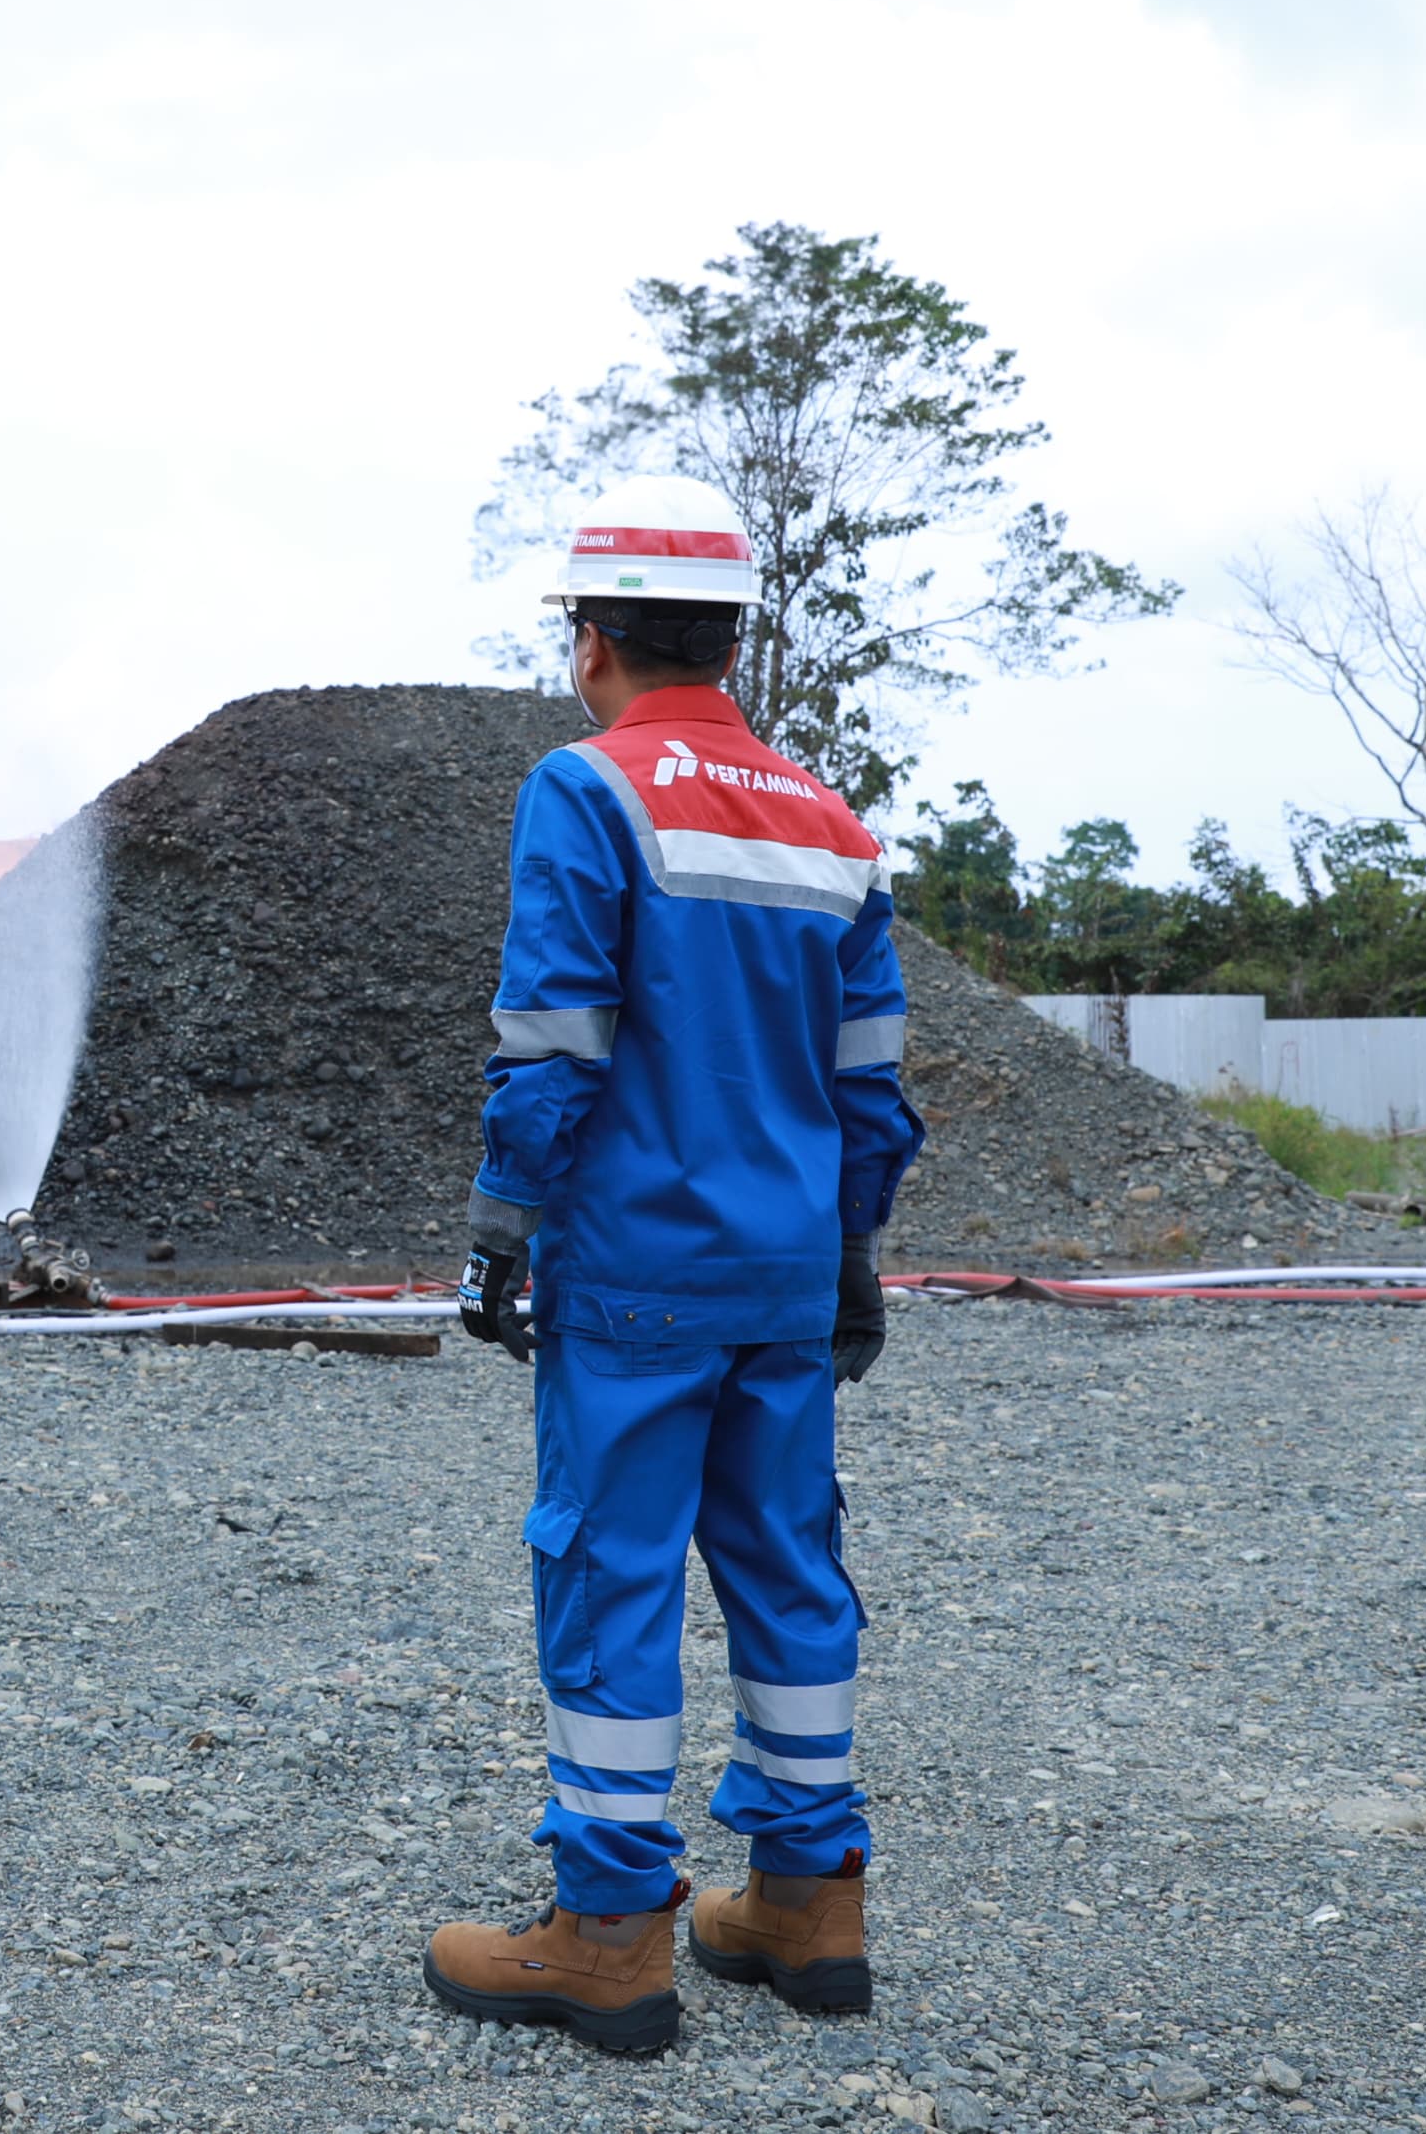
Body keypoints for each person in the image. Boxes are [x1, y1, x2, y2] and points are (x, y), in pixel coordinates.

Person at [417, 474, 923, 2056]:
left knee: (610, 1569)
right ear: (732, 636)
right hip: (785, 1275)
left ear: (593, 641)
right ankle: (807, 1904)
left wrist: (504, 1219)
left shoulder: (589, 791)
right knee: (789, 1567)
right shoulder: (832, 823)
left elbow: (557, 1035)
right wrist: (850, 1251)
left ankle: (613, 1932)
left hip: (637, 1274)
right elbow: (872, 1090)